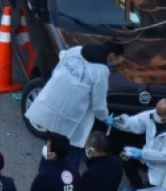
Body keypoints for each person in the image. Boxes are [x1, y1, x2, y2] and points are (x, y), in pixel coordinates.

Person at [24, 43, 119, 171]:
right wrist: (105, 117)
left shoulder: (75, 51)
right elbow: (98, 106)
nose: (116, 62)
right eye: (117, 59)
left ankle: (45, 176)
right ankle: (67, 186)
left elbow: (56, 71)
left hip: (53, 108)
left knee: (51, 148)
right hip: (74, 122)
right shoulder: (100, 71)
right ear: (112, 55)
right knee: (72, 155)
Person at [109, 97, 166, 191]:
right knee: (124, 155)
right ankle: (135, 186)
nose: (156, 117)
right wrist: (116, 121)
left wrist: (142, 153)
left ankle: (153, 185)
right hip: (148, 158)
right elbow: (134, 121)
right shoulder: (154, 114)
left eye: (160, 115)